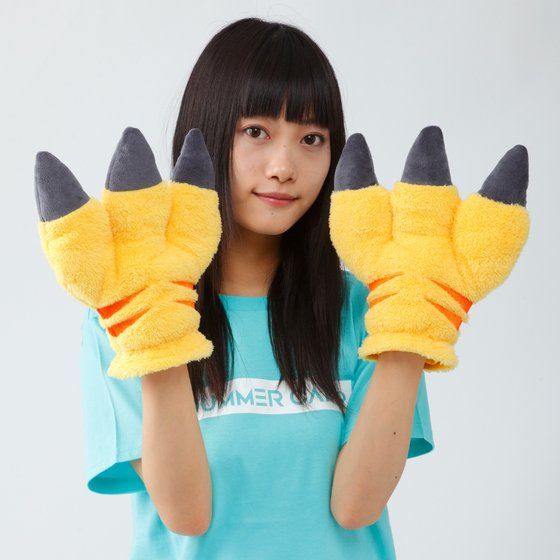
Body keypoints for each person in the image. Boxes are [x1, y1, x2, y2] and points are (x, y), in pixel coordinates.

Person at [37, 15, 529, 560]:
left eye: (311, 138)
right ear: (207, 134)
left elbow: (356, 507)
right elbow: (187, 515)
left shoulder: (378, 308)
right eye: (256, 132)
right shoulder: (123, 310)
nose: (283, 167)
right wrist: (155, 326)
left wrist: (414, 326)